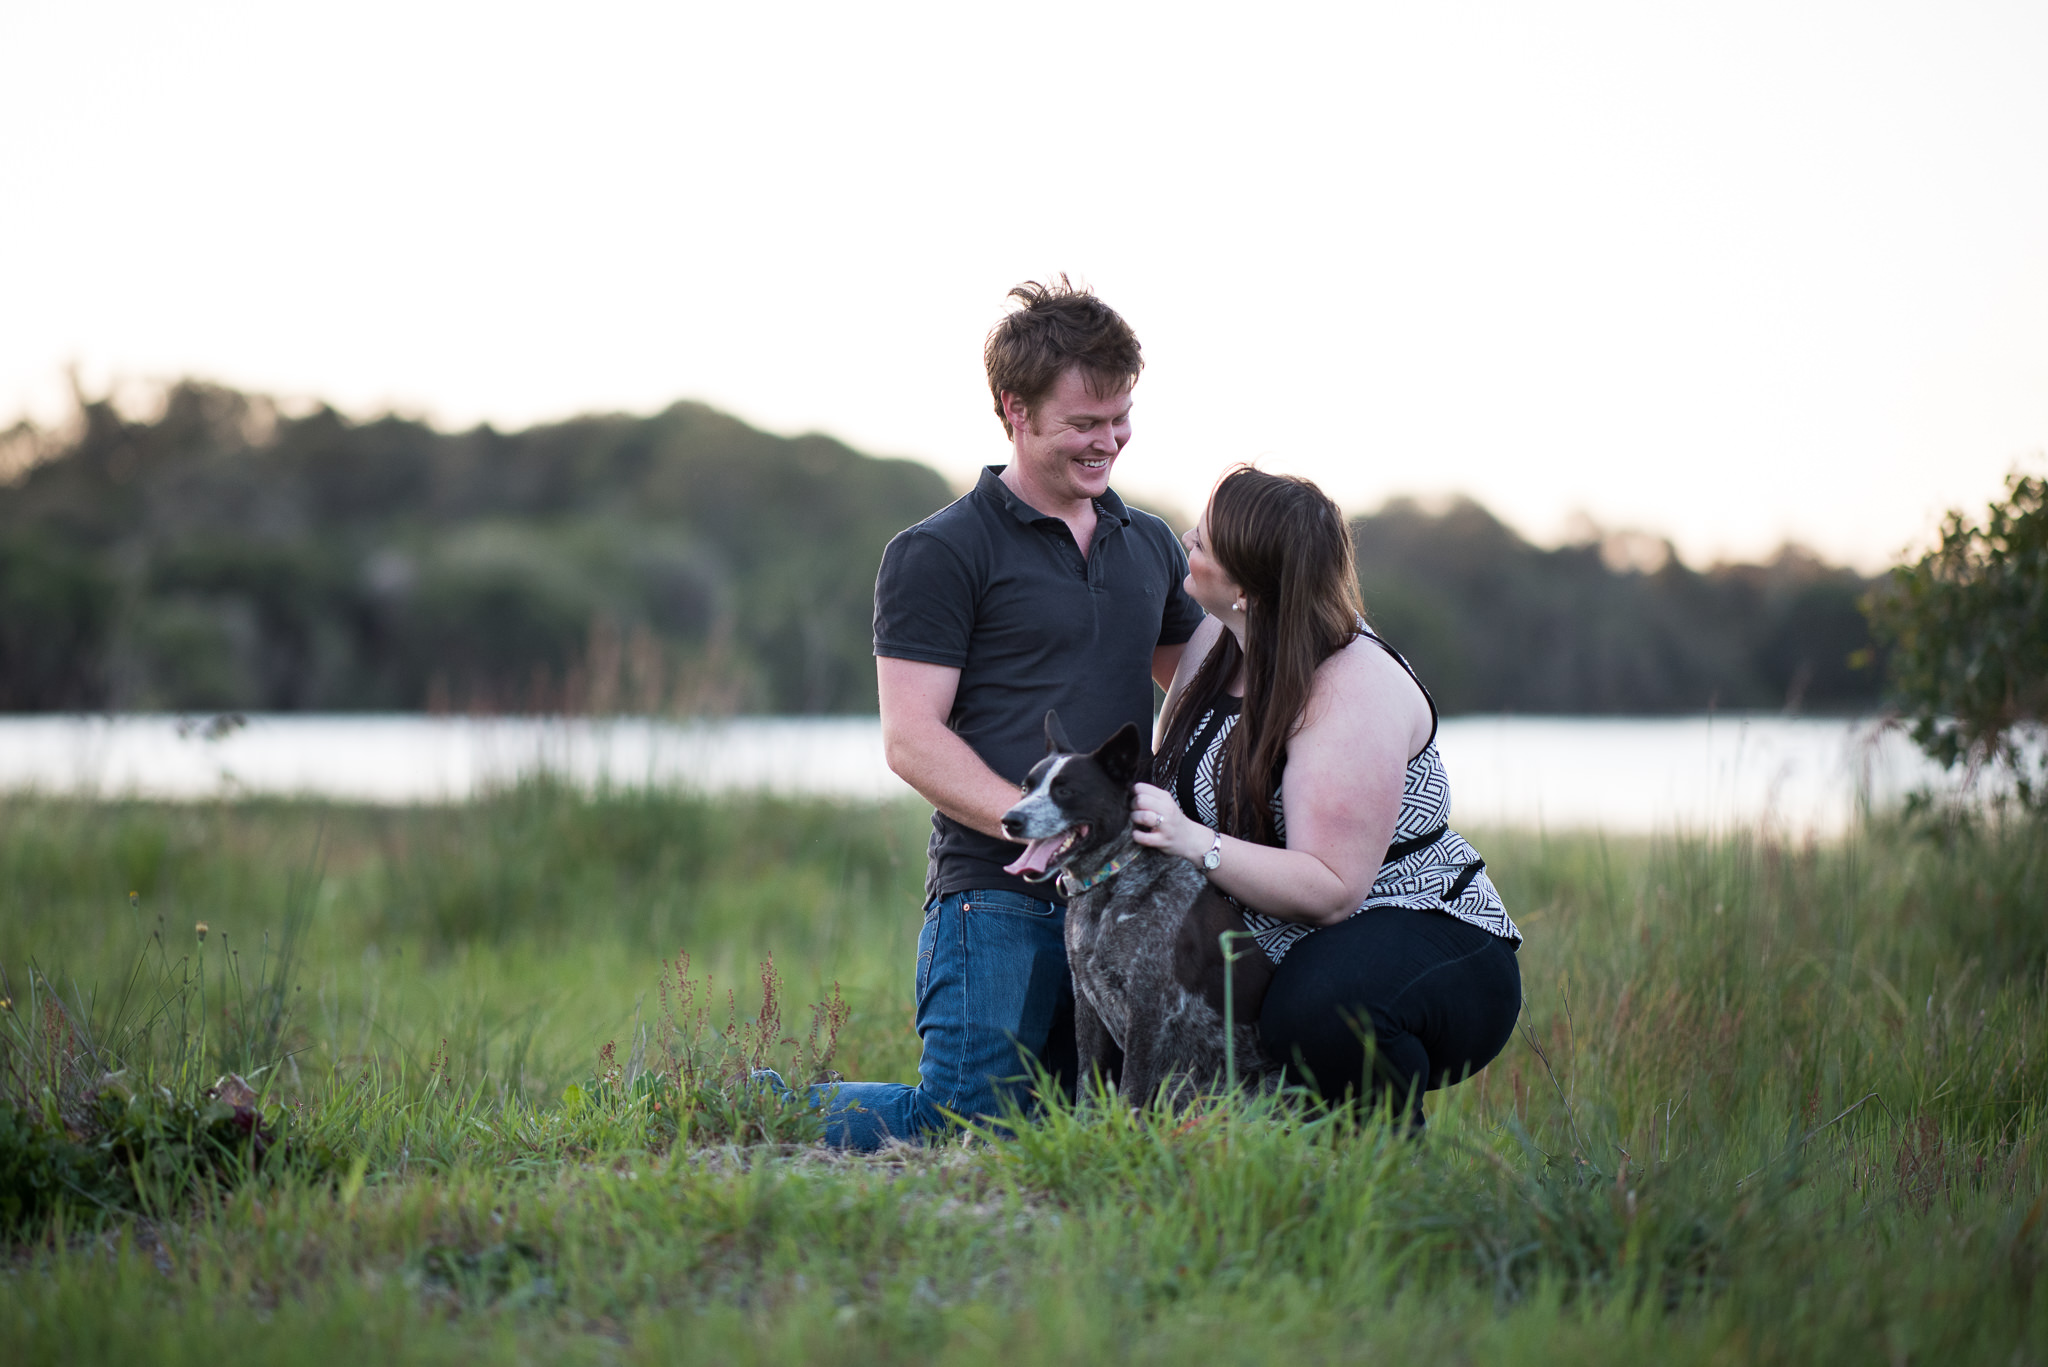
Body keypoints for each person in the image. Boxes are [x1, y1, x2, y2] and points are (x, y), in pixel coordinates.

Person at [809, 277, 1206, 1149]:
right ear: (1012, 410)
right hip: (993, 889)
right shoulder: (938, 551)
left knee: (1085, 1120)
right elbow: (912, 739)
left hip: (1124, 898)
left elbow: (1210, 684)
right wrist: (1043, 834)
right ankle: (765, 1100)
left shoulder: (1148, 544)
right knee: (968, 1120)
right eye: (1083, 423)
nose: (1108, 441)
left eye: (1120, 417)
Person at [1128, 466, 1522, 1130]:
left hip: (1422, 928)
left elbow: (1333, 888)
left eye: (1210, 536)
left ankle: (1389, 1163)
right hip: (1281, 934)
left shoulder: (1350, 688)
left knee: (1320, 1008)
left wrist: (1195, 842)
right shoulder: (1213, 641)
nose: (1189, 536)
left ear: (1251, 588)